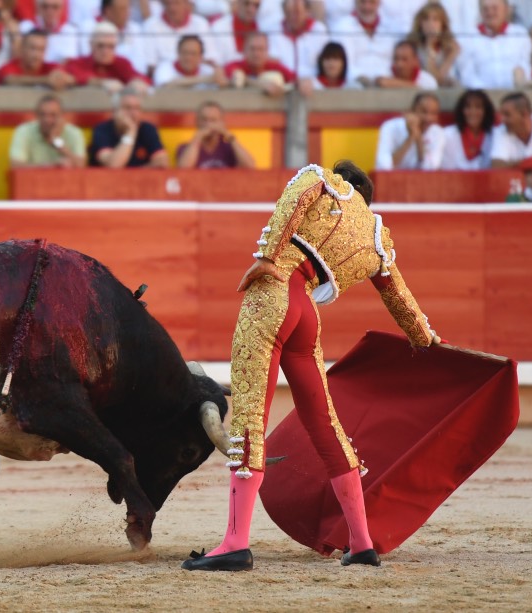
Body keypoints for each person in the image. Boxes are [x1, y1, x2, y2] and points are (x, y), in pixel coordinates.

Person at [181, 160, 439, 572]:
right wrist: (425, 338)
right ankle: (361, 541)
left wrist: (267, 257)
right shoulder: (375, 239)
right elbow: (400, 299)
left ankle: (235, 542)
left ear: (346, 183)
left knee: (250, 417)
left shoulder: (323, 181)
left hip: (273, 296)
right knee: (326, 425)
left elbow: (298, 195)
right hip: (307, 316)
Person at [456, 0, 532, 90]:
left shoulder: (520, 33)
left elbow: (526, 65)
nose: (490, 13)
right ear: (480, 12)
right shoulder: (468, 37)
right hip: (481, 97)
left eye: (494, 8)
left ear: (506, 10)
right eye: (485, 9)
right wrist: (487, 93)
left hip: (515, 95)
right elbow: (467, 74)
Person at [89, 87, 169, 168]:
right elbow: (113, 165)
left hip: (141, 180)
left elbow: (162, 162)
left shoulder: (148, 129)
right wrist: (131, 131)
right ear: (115, 111)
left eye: (137, 108)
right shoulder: (102, 130)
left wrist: (134, 177)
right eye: (127, 108)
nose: (133, 113)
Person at [328, 0, 399, 85]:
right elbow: (344, 64)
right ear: (355, 3)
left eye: (372, 2)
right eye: (362, 2)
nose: (367, 7)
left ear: (379, 3)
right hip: (354, 85)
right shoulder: (342, 27)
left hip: (388, 85)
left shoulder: (392, 27)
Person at [64, 21, 150, 92]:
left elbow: (142, 78)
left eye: (110, 47)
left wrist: (137, 82)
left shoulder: (122, 63)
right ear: (91, 45)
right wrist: (101, 83)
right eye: (100, 46)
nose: (105, 51)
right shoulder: (79, 63)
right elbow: (72, 77)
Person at [8, 94, 86, 167]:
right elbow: (15, 165)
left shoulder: (74, 133)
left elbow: (81, 165)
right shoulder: (24, 131)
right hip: (33, 180)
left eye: (53, 115)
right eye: (43, 114)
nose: (47, 120)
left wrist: (57, 142)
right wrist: (51, 166)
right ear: (36, 115)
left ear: (62, 116)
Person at [141, 0, 214, 76]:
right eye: (168, 3)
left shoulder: (201, 23)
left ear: (186, 4)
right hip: (165, 79)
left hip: (199, 78)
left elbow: (210, 59)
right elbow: (150, 65)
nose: (172, 8)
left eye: (177, 3)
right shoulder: (150, 25)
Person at [374, 92, 445, 170]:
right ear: (412, 111)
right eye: (424, 111)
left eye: (433, 113)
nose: (428, 118)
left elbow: (431, 168)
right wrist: (410, 138)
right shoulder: (390, 127)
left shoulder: (438, 132)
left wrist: (418, 138)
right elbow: (383, 166)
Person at [175, 100, 255, 169]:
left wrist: (230, 137)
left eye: (213, 120)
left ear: (222, 123)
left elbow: (250, 166)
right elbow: (183, 169)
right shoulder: (185, 148)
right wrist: (197, 139)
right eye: (204, 120)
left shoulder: (228, 148)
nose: (208, 124)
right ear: (197, 122)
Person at [77, 0, 148, 75]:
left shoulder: (135, 29)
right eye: (122, 9)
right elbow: (90, 58)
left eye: (129, 8)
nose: (128, 13)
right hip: (96, 77)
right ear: (108, 11)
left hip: (128, 78)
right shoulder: (89, 27)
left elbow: (140, 66)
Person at [267, 0, 329, 80]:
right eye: (289, 12)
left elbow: (325, 61)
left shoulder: (319, 29)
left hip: (312, 83)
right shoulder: (274, 31)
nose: (293, 16)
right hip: (284, 82)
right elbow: (273, 61)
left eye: (297, 12)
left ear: (307, 12)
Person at [0, 28, 74, 87]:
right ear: (22, 48)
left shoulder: (50, 67)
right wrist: (45, 80)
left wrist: (62, 78)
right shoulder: (9, 66)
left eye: (41, 49)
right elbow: (10, 80)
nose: (36, 54)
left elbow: (70, 79)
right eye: (33, 48)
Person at [405, 2, 459, 88]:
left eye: (436, 19)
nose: (430, 24)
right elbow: (434, 79)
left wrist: (451, 55)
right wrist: (429, 47)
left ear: (442, 24)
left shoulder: (450, 48)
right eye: (426, 19)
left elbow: (441, 78)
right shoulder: (413, 46)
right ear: (420, 23)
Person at [225, 31, 295, 96]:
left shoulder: (275, 67)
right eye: (252, 49)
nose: (256, 54)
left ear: (267, 51)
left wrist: (281, 89)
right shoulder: (234, 66)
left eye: (260, 49)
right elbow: (237, 78)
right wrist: (261, 84)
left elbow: (295, 80)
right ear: (244, 50)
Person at [441, 89, 495, 170]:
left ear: (486, 111)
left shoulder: (494, 135)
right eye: (468, 107)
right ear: (461, 110)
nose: (472, 112)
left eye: (478, 107)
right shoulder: (447, 134)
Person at [490, 92, 532, 168]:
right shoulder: (500, 130)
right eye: (501, 114)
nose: (502, 120)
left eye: (507, 114)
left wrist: (514, 164)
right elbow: (496, 166)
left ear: (524, 114)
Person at [152, 34, 226, 89]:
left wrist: (223, 82)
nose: (188, 57)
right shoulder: (165, 67)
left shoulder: (208, 71)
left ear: (201, 57)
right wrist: (204, 79)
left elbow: (222, 88)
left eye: (193, 54)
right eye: (185, 53)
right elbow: (165, 86)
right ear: (178, 53)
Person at [360, 39, 437, 89]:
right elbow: (381, 82)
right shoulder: (384, 72)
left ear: (415, 60)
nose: (399, 64)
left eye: (404, 59)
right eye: (396, 59)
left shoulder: (428, 80)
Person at [210, 0, 262, 67]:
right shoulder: (219, 27)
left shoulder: (262, 27)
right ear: (238, 3)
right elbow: (214, 60)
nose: (250, 9)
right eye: (246, 3)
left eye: (256, 5)